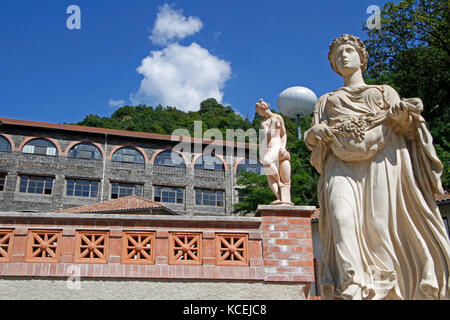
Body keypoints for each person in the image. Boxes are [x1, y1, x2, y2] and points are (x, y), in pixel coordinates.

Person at [304, 34, 450, 300]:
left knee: (379, 225)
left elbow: (406, 128)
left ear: (362, 58)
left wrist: (401, 116)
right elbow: (312, 140)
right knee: (340, 217)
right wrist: (315, 133)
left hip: (381, 161)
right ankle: (353, 283)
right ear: (334, 66)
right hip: (339, 164)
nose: (343, 56)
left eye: (349, 50)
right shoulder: (325, 101)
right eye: (337, 54)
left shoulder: (383, 92)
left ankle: (388, 288)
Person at [255, 99, 292, 205]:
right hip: (267, 147)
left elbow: (284, 134)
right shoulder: (263, 122)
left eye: (259, 111)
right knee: (268, 174)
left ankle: (280, 182)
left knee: (267, 161)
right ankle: (280, 197)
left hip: (277, 144)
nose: (259, 113)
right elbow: (267, 135)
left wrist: (283, 147)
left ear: (263, 109)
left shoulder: (278, 117)